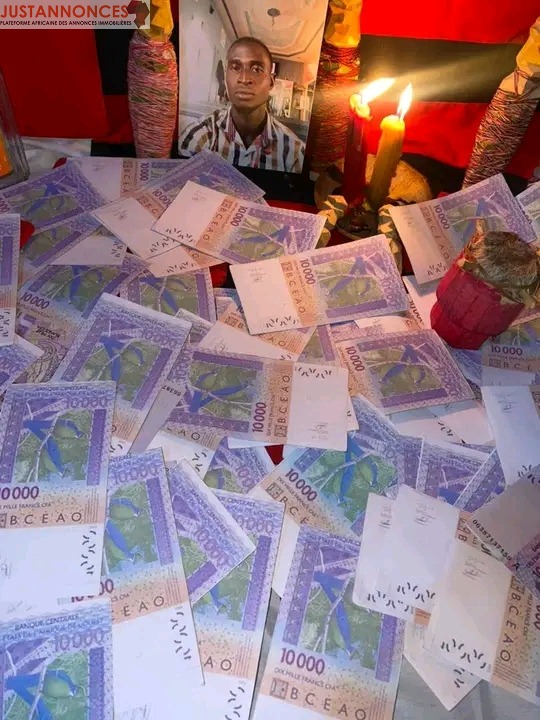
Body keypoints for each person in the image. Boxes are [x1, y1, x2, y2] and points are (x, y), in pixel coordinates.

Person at [179, 36, 305, 172]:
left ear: (271, 82)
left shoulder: (294, 153)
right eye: (235, 67)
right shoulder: (199, 136)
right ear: (225, 77)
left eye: (256, 69)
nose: (244, 79)